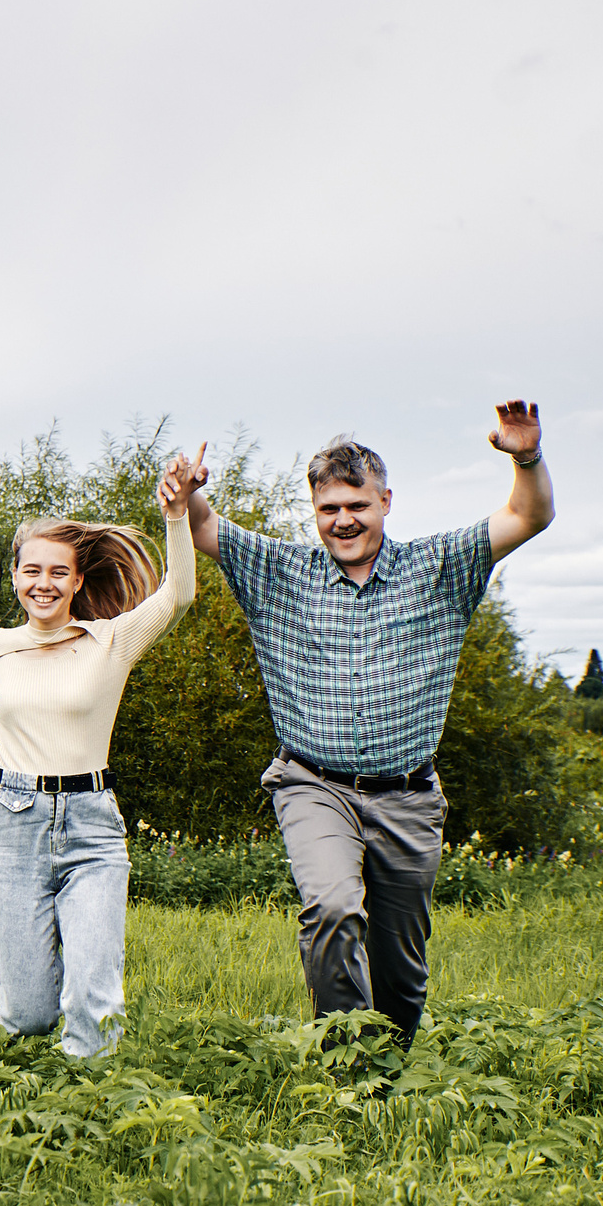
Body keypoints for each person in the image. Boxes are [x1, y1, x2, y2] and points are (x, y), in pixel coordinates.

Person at [182, 401, 554, 1048]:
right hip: (312, 782)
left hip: (407, 793)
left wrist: (526, 456)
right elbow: (205, 528)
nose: (344, 520)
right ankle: (349, 1065)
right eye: (329, 508)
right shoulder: (279, 572)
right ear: (314, 511)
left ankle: (395, 1060)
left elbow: (529, 515)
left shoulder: (439, 567)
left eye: (357, 504)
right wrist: (187, 496)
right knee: (329, 908)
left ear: (385, 501)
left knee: (400, 965)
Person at [0, 450, 203, 1056]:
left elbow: (178, 593)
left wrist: (176, 513)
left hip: (92, 824)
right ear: (15, 576)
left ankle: (94, 1112)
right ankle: (17, 1069)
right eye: (31, 571)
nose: (43, 584)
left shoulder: (112, 641)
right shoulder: (1, 646)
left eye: (57, 573)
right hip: (10, 823)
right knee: (29, 1011)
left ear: (77, 580)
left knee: (92, 1003)